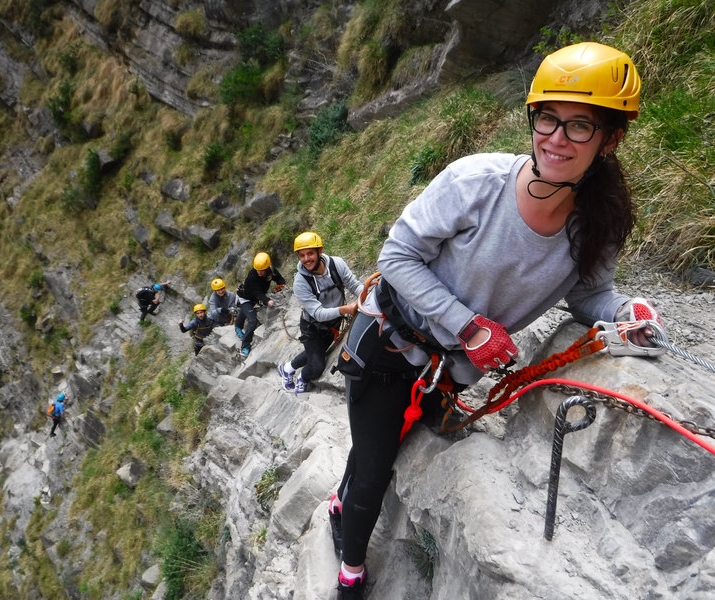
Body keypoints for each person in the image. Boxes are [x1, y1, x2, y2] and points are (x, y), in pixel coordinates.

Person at [327, 42, 663, 599]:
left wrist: (628, 313)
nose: (556, 138)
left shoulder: (598, 223)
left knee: (382, 439)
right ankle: (351, 570)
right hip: (389, 341)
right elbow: (397, 258)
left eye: (580, 126)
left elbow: (590, 296)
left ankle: (343, 501)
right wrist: (469, 326)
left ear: (611, 139)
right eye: (547, 118)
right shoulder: (476, 183)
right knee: (377, 466)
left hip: (450, 371)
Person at [277, 232, 364, 394]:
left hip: (333, 323)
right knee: (317, 366)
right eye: (302, 255)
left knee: (317, 352)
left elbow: (353, 284)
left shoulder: (337, 264)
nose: (306, 259)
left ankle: (287, 368)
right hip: (312, 328)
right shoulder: (301, 282)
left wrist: (366, 295)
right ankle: (302, 377)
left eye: (310, 253)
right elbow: (318, 313)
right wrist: (345, 309)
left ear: (320, 251)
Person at [234, 252, 286, 357]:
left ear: (267, 268)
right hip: (245, 298)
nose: (259, 272)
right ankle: (245, 347)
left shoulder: (271, 270)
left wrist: (282, 285)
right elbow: (257, 293)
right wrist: (267, 301)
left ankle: (238, 326)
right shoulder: (252, 276)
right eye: (257, 269)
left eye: (262, 270)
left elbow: (279, 279)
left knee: (246, 311)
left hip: (255, 297)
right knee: (252, 320)